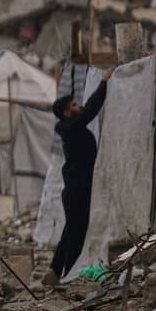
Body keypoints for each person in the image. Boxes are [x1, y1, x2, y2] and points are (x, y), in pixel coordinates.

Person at [45, 67, 114, 284]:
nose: (80, 106)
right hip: (77, 190)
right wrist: (104, 83)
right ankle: (69, 275)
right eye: (74, 105)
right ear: (67, 112)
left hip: (76, 189)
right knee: (77, 232)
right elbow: (90, 111)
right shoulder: (71, 127)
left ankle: (55, 270)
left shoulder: (71, 128)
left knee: (71, 229)